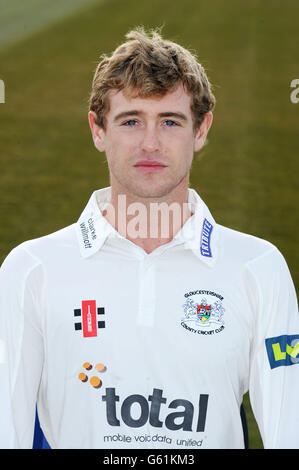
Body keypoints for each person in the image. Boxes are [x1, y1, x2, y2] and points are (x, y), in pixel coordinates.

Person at [0, 26, 298, 450]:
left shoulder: (258, 267)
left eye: (170, 121)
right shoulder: (32, 269)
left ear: (201, 130)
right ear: (98, 130)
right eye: (131, 121)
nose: (150, 143)